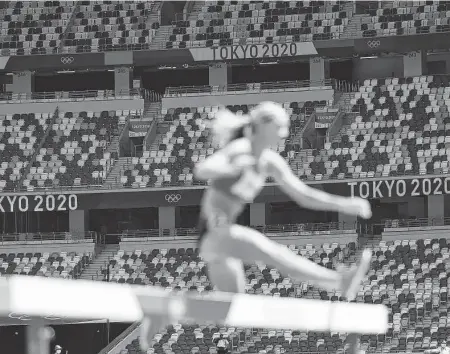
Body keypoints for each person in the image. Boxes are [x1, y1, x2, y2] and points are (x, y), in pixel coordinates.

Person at [139, 101, 373, 350]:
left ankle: (163, 312)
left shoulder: (270, 161)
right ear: (262, 126)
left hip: (222, 241)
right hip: (216, 233)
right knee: (274, 253)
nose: (285, 129)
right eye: (280, 124)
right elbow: (202, 169)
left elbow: (303, 194)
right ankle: (337, 281)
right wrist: (231, 166)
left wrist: (344, 204)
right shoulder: (241, 149)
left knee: (230, 307)